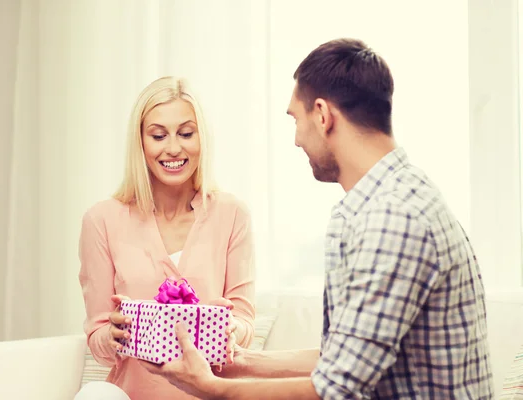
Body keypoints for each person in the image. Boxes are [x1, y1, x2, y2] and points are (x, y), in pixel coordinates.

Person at [140, 38, 495, 399]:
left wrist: (212, 388)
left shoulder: (392, 218)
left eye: (296, 119)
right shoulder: (382, 201)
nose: (296, 140)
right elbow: (339, 359)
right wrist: (238, 360)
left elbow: (336, 388)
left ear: (323, 115)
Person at [75, 76, 256, 400]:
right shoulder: (101, 220)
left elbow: (244, 321)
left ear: (202, 139)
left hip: (210, 392)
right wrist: (113, 334)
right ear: (140, 143)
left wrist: (232, 331)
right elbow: (99, 337)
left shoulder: (232, 214)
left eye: (186, 133)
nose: (173, 148)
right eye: (158, 135)